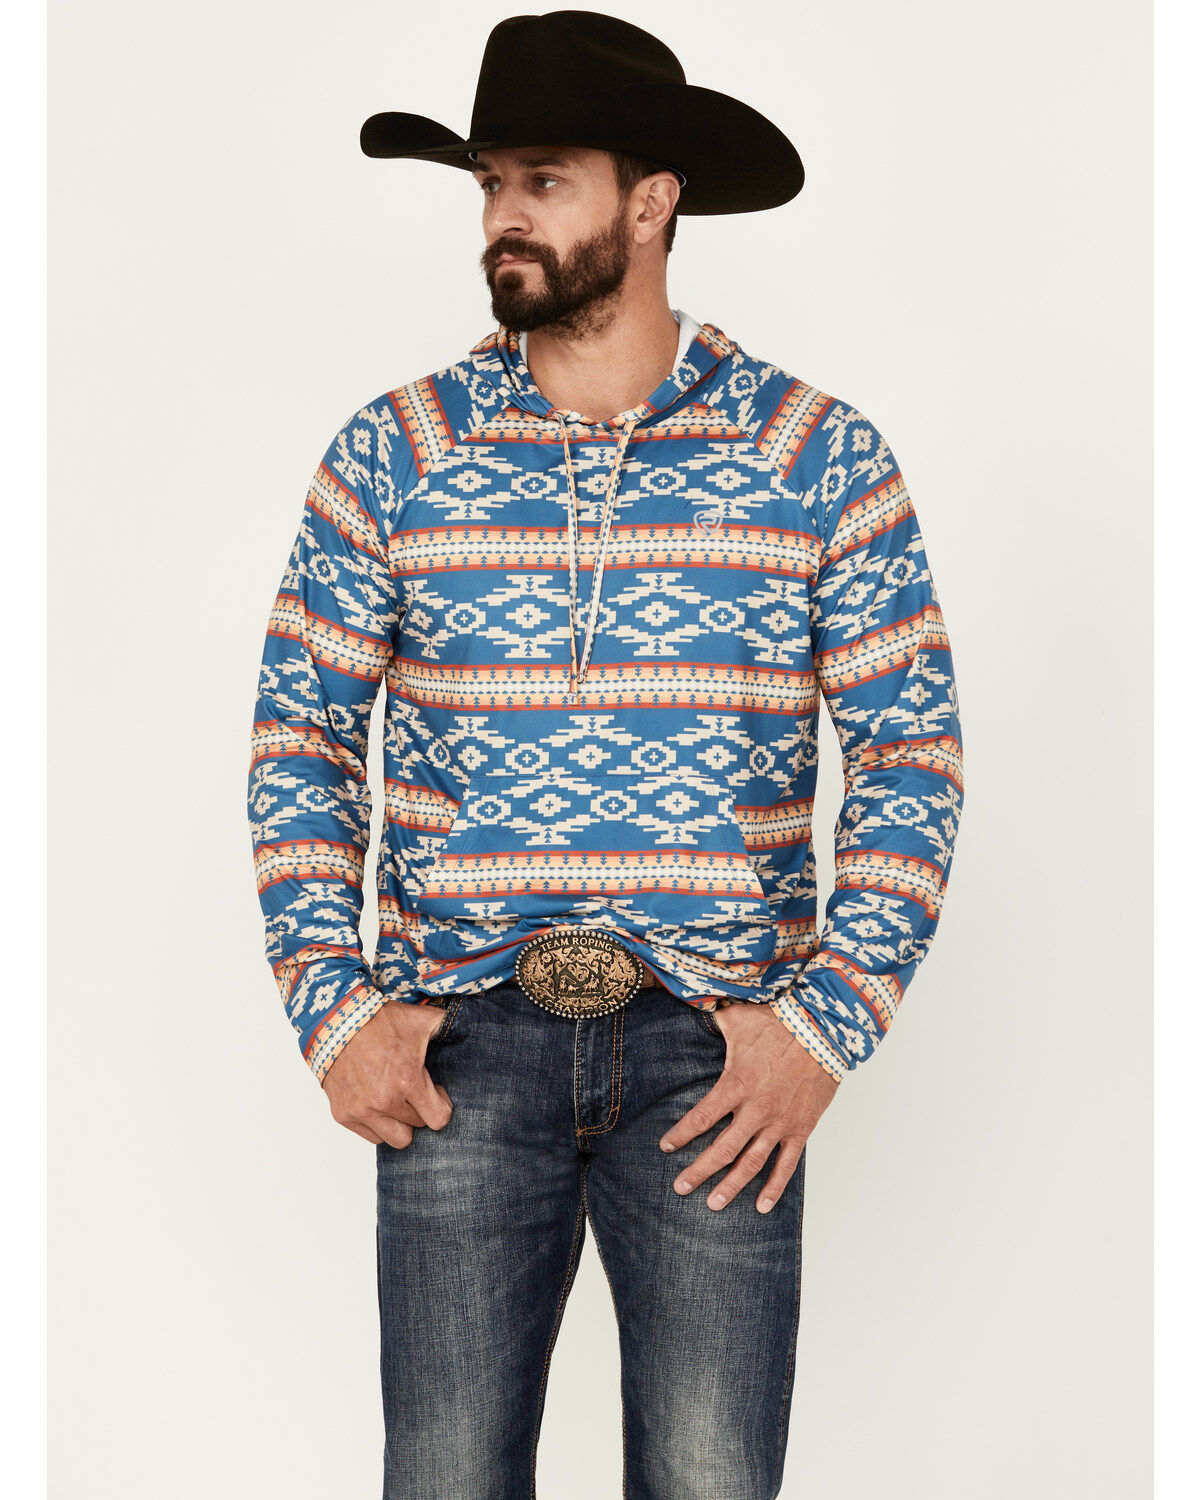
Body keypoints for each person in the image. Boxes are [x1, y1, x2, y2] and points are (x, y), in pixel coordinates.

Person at [246, 11, 964, 1498]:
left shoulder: (818, 455)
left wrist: (824, 1027)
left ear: (653, 202)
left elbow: (912, 754)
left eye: (545, 179)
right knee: (444, 1480)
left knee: (709, 1483)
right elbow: (300, 737)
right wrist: (332, 1007)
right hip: (462, 1046)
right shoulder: (395, 452)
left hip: (716, 1054)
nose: (503, 216)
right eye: (489, 182)